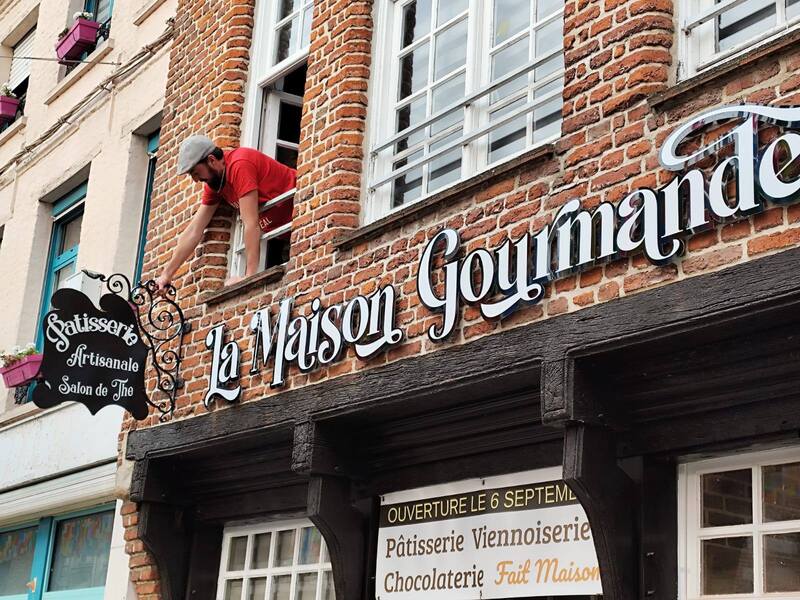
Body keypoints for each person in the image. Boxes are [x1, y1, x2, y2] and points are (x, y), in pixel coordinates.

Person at [155, 135, 296, 291]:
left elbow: (250, 223)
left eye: (195, 172)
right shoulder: (215, 184)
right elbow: (194, 230)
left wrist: (249, 277)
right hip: (282, 235)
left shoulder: (239, 165)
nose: (195, 180)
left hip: (300, 216)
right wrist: (166, 275)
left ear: (211, 160)